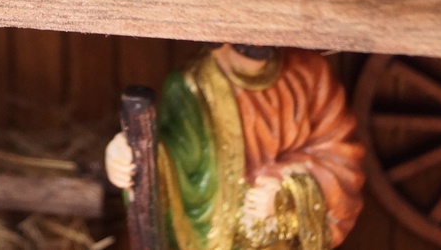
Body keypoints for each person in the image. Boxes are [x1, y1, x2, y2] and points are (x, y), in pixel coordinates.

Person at [105, 44, 365, 250]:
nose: (257, 40)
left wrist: (289, 193)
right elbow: (176, 159)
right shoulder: (195, 87)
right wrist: (133, 156)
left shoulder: (310, 74)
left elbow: (341, 161)